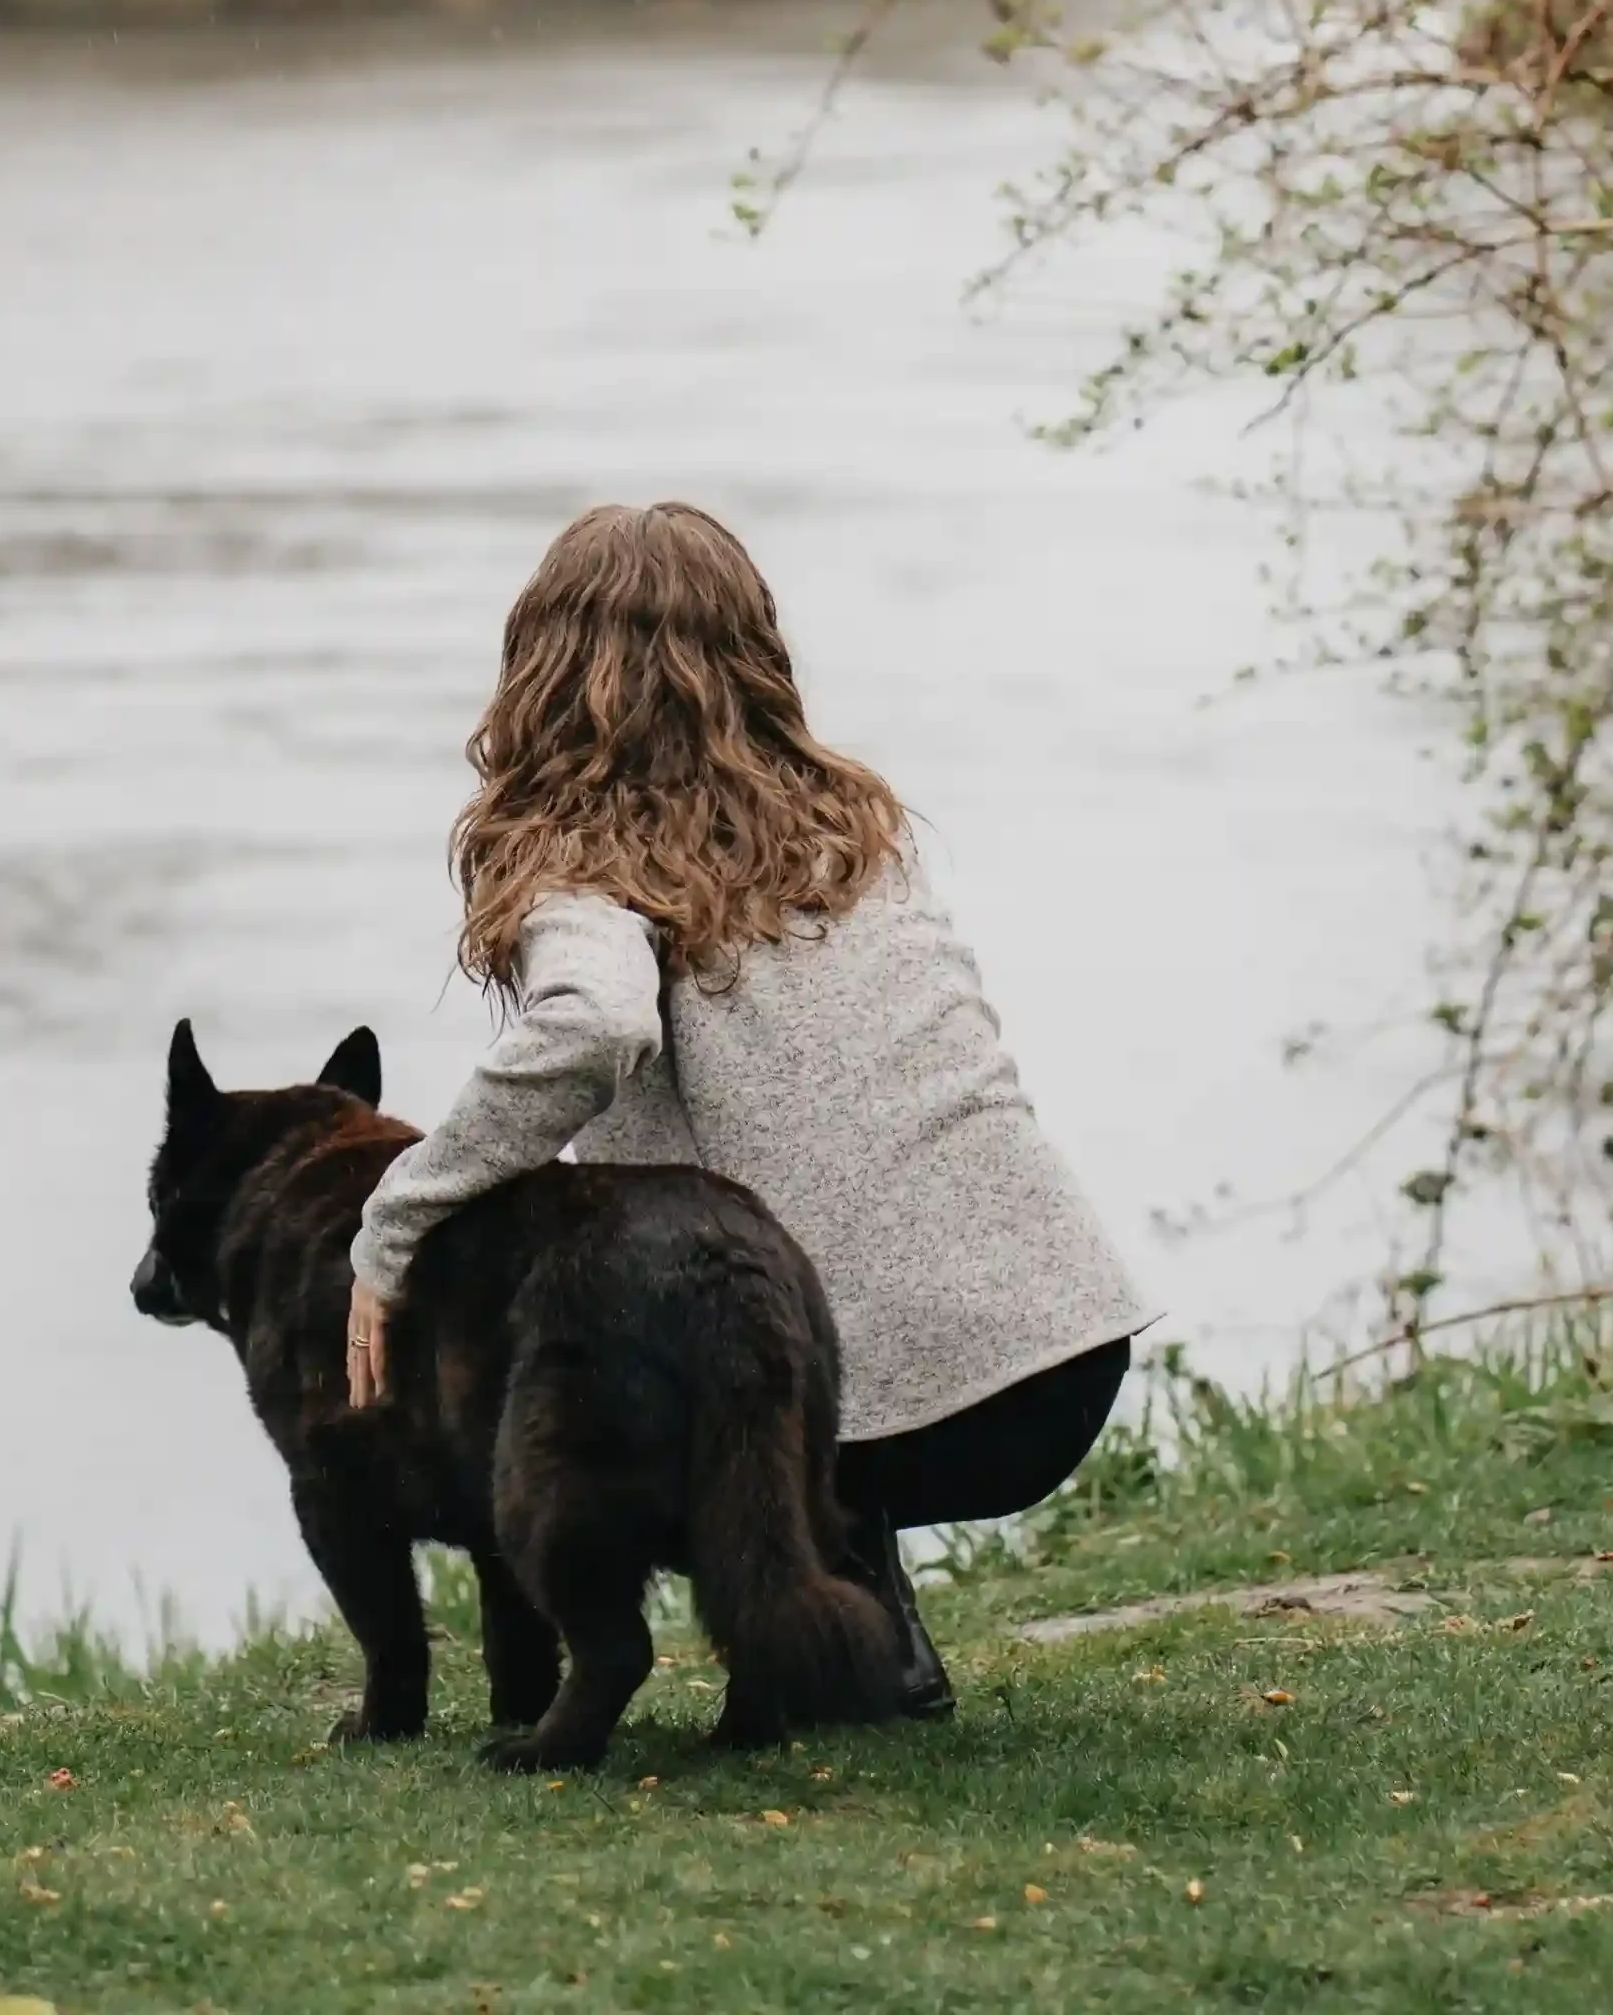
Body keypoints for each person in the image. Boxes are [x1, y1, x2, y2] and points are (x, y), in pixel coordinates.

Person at [345, 496, 1150, 1714]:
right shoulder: (858, 836)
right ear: (757, 656)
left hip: (864, 1398)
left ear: (539, 677)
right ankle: (860, 1636)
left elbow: (594, 1023)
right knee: (722, 1290)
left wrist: (395, 1222)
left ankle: (822, 1626)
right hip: (1055, 1363)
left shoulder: (585, 876)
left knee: (569, 1408)